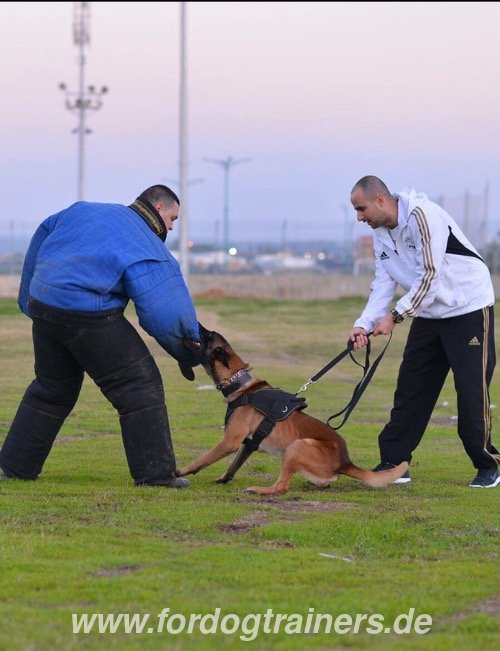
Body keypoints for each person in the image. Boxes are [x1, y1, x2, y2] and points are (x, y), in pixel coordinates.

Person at [0, 185, 202, 488]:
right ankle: (155, 476)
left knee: (52, 389)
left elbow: (41, 239)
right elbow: (164, 308)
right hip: (87, 313)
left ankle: (13, 467)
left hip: (45, 306)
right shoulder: (145, 242)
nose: (172, 227)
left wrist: (29, 300)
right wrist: (188, 350)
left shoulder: (83, 211)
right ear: (159, 209)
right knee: (139, 385)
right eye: (173, 218)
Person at [348, 175, 500, 488]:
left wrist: (395, 316)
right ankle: (395, 462)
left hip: (468, 307)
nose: (359, 217)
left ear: (380, 200)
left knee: (470, 392)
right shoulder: (380, 233)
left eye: (361, 208)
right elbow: (384, 282)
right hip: (428, 313)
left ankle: (489, 464)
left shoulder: (423, 216)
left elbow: (429, 275)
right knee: (411, 388)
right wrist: (362, 324)